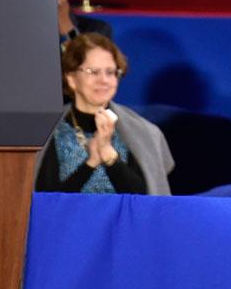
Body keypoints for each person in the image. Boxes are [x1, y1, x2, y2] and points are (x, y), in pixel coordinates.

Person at [36, 32, 175, 195]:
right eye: (93, 72)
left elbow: (147, 199)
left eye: (110, 72)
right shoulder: (48, 131)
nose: (103, 80)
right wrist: (91, 163)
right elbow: (46, 201)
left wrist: (110, 157)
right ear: (71, 79)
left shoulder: (143, 132)